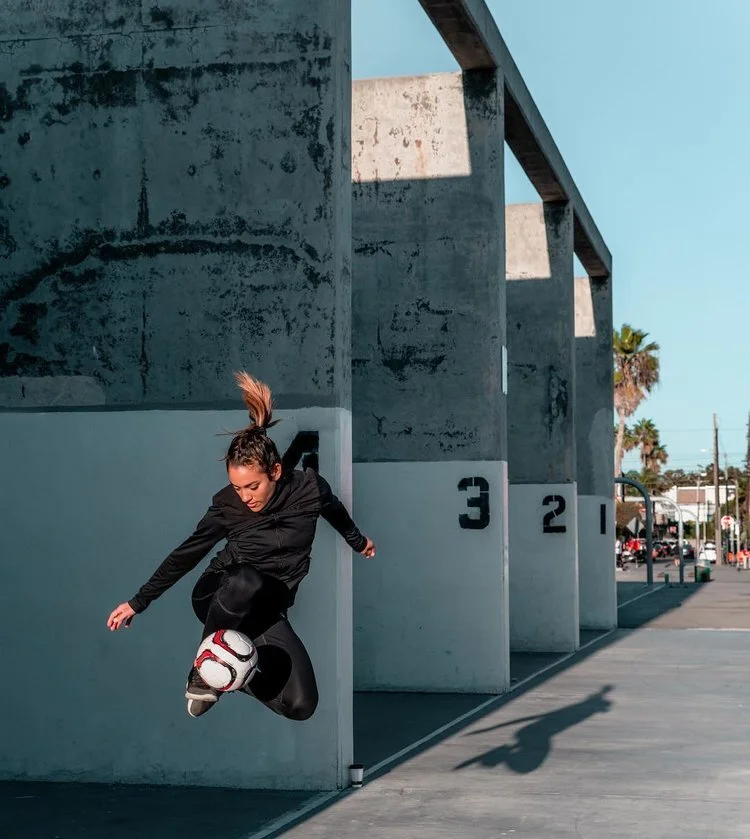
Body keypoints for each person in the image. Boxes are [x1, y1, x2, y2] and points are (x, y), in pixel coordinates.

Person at [107, 372, 376, 720]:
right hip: (222, 597)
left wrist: (357, 541)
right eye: (237, 487)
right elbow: (187, 553)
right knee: (247, 579)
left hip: (266, 614)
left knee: (301, 705)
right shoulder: (227, 506)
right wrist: (138, 602)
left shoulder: (310, 489)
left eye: (252, 486)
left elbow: (335, 510)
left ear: (276, 472)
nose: (245, 496)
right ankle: (204, 672)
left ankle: (233, 674)